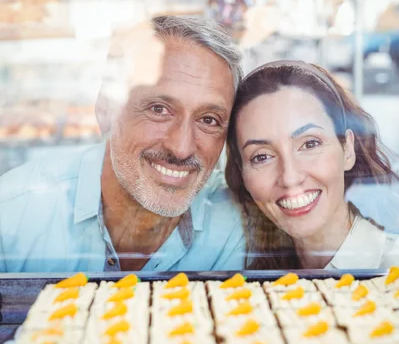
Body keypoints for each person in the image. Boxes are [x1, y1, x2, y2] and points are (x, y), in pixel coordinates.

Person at [0, 16, 245, 273]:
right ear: (105, 109)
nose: (181, 148)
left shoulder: (241, 228)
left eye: (209, 120)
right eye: (159, 109)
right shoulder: (12, 215)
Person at [225, 60, 399, 270]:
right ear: (242, 172)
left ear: (348, 149)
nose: (290, 178)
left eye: (309, 144)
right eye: (261, 157)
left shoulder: (392, 270)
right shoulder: (252, 278)